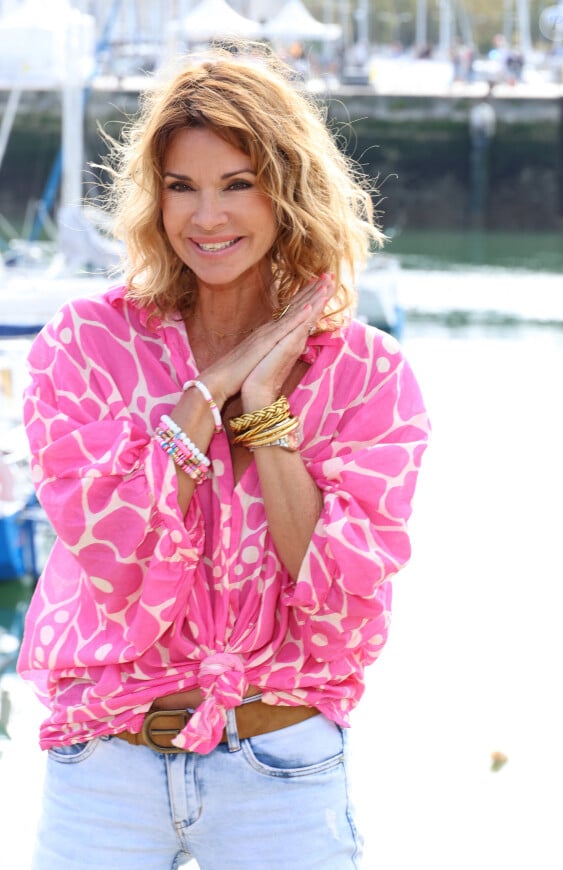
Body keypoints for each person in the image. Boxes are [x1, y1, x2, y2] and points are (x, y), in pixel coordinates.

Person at [18, 44, 430, 869]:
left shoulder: (366, 373)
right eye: (182, 187)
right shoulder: (85, 346)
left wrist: (263, 408)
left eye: (237, 184)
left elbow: (336, 600)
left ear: (287, 190)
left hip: (280, 774)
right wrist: (205, 395)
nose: (206, 217)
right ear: (154, 197)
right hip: (106, 771)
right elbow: (117, 554)